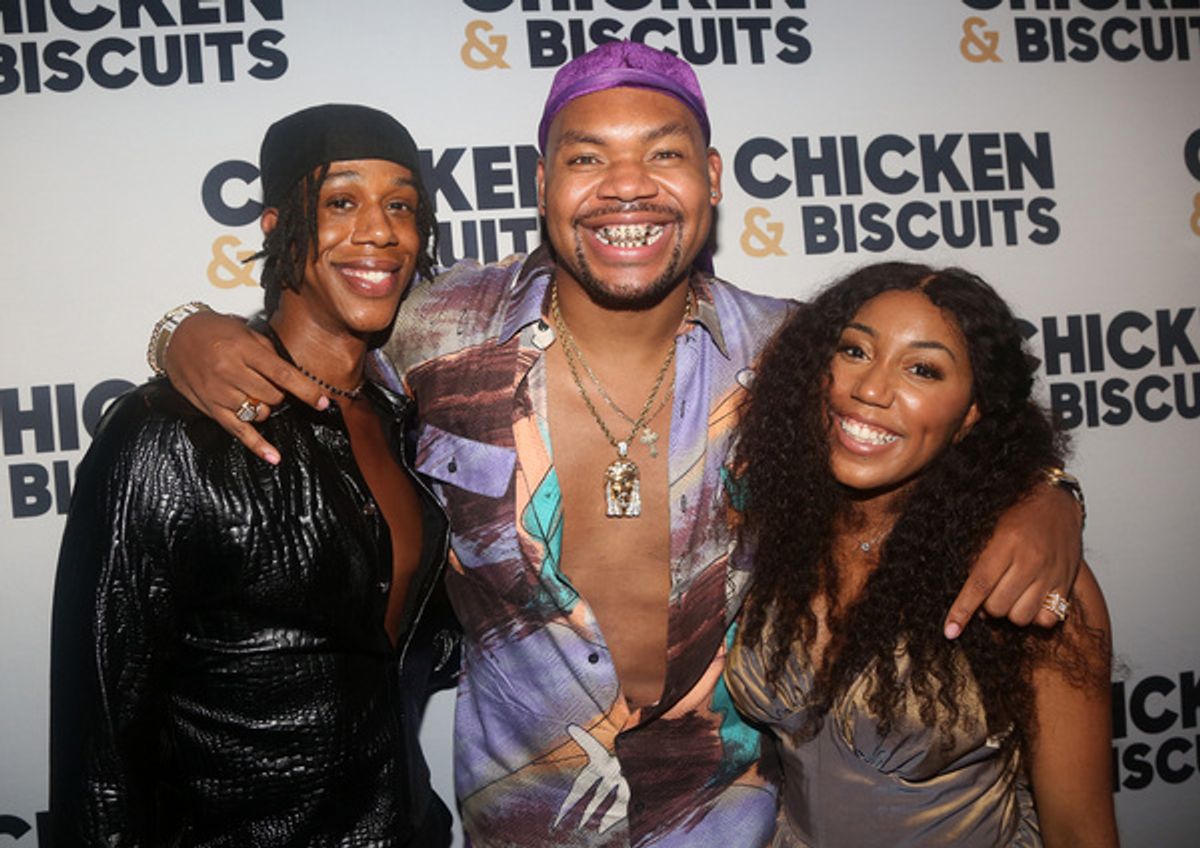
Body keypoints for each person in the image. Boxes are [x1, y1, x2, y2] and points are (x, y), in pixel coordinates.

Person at [153, 43, 1085, 847]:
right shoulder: (435, 335)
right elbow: (308, 343)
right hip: (525, 816)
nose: (627, 187)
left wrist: (1048, 493)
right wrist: (180, 332)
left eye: (664, 155)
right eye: (588, 157)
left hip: (735, 813)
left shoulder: (792, 354)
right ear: (543, 182)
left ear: (712, 181)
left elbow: (934, 428)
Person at [49, 104, 458, 846]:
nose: (381, 230)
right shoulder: (168, 434)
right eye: (340, 202)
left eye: (402, 205)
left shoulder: (408, 421)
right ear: (276, 226)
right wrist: (177, 328)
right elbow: (99, 751)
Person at [725, 262, 1116, 847]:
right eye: (855, 351)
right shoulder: (777, 526)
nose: (871, 389)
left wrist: (1055, 495)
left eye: (923, 369)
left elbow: (1080, 831)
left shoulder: (1022, 575)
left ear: (971, 415)